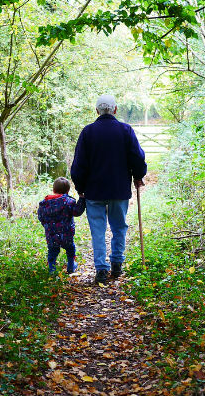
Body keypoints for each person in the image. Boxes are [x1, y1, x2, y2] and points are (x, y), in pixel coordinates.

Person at [70, 94, 147, 284]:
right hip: (119, 190)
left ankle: (101, 270)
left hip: (94, 191)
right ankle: (117, 264)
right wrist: (138, 175)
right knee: (119, 226)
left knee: (98, 230)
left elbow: (79, 165)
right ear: (115, 109)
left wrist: (80, 188)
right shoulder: (125, 130)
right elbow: (137, 157)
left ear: (97, 111)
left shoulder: (88, 132)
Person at [37, 177, 86, 274]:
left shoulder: (44, 204)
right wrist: (82, 199)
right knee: (70, 249)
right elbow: (77, 212)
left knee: (52, 252)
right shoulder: (69, 202)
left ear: (53, 190)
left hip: (51, 235)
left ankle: (52, 270)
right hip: (66, 234)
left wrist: (47, 226)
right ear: (68, 191)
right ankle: (71, 266)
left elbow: (41, 217)